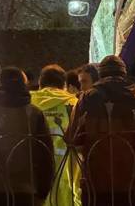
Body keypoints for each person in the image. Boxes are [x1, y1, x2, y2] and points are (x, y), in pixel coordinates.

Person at [69, 55, 135, 206]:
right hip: (129, 180)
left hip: (95, 180)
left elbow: (73, 138)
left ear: (100, 74)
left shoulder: (85, 100)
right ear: (124, 73)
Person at [0, 67, 55, 206]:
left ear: (1, 84)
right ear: (24, 85)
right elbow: (45, 154)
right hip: (26, 189)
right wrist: (43, 190)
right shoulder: (34, 113)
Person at [30, 64, 80, 206]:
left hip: (35, 176)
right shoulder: (74, 104)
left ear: (40, 83)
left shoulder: (29, 103)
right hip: (66, 176)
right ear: (64, 85)